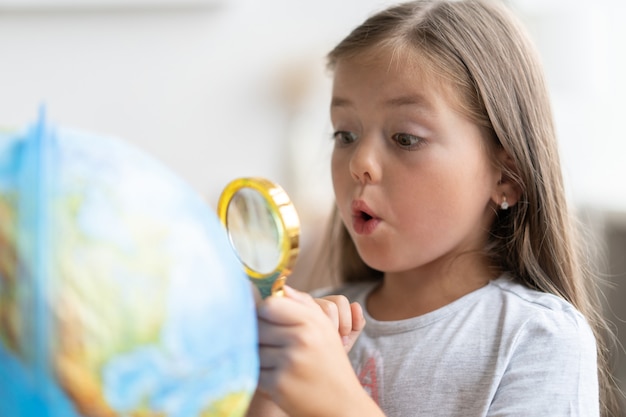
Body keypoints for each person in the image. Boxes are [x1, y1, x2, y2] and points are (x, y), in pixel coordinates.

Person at [246, 0, 620, 416]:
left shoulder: (538, 337)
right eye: (345, 134)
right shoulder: (317, 325)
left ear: (506, 178)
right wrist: (271, 386)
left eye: (406, 138)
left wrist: (334, 398)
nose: (359, 164)